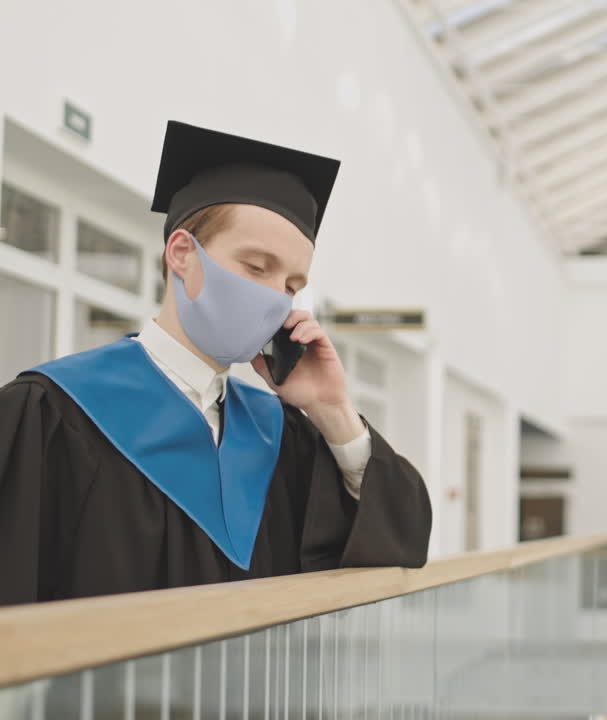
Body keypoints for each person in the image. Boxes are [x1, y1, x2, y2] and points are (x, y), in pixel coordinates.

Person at [0, 121, 432, 606]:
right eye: (255, 267)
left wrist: (333, 410)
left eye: (291, 286)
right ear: (182, 254)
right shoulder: (50, 416)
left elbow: (404, 543)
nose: (274, 298)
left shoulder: (281, 436)